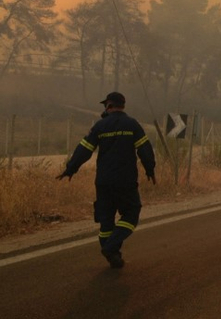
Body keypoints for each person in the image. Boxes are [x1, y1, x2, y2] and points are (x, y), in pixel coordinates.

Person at [57, 92, 156, 269]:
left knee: (106, 221)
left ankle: (112, 254)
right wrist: (150, 169)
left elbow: (84, 149)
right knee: (131, 214)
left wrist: (71, 168)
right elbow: (145, 149)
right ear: (123, 105)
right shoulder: (132, 124)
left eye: (105, 106)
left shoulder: (100, 126)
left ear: (109, 105)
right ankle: (111, 249)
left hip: (103, 182)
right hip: (126, 181)